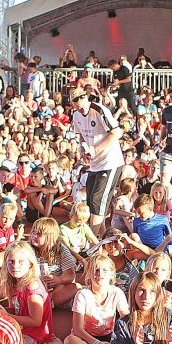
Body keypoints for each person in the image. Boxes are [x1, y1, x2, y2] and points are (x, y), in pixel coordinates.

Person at [69, 87, 124, 235]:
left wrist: (94, 149)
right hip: (94, 165)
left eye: (81, 101)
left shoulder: (99, 110)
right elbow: (81, 136)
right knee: (92, 204)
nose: (80, 106)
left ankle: (90, 241)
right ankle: (102, 239)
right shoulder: (76, 116)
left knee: (97, 201)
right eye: (76, 103)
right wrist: (83, 150)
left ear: (86, 98)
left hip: (110, 162)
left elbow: (117, 132)